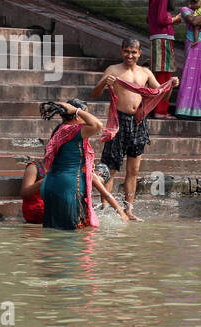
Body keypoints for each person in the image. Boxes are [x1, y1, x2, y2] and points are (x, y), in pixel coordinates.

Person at [93, 37, 177, 220]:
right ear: (121, 51)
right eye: (126, 51)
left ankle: (128, 210)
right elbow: (95, 93)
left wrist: (171, 85)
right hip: (118, 122)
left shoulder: (145, 73)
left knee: (133, 170)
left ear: (139, 53)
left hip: (139, 122)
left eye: (133, 52)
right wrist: (104, 83)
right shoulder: (113, 70)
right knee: (110, 168)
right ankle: (105, 209)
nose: (129, 55)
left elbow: (162, 95)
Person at [39, 99, 106, 230]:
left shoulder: (59, 129)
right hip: (68, 188)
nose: (87, 119)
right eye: (86, 115)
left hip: (51, 185)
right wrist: (77, 110)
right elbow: (98, 125)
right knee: (74, 233)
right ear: (77, 116)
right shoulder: (75, 131)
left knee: (53, 231)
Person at [20, 157, 47, 225]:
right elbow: (24, 192)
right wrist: (42, 182)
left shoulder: (63, 167)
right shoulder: (34, 167)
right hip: (36, 213)